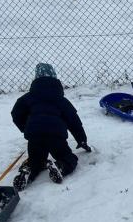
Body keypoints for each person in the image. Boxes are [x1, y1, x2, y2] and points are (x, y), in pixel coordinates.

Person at [10, 63, 90, 191]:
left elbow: (16, 113)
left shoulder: (28, 98)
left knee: (36, 160)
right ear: (54, 77)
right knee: (68, 158)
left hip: (35, 136)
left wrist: (26, 127)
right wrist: (81, 140)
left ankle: (28, 171)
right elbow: (74, 121)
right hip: (56, 137)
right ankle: (61, 167)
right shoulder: (61, 100)